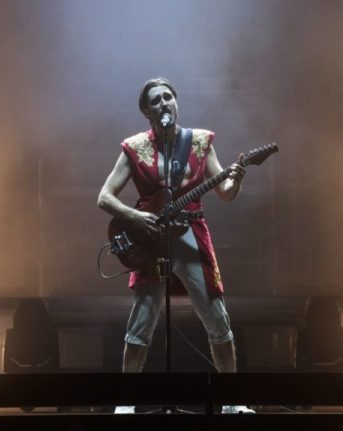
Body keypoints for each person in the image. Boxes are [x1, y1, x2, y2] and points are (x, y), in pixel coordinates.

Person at [97, 77, 253, 414]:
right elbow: (104, 197)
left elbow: (225, 193)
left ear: (176, 101)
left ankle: (233, 401)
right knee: (142, 319)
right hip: (151, 237)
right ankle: (125, 404)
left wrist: (236, 179)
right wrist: (135, 217)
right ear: (146, 111)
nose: (164, 103)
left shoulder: (200, 142)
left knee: (217, 316)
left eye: (168, 96)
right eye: (155, 100)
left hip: (191, 233)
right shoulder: (134, 147)